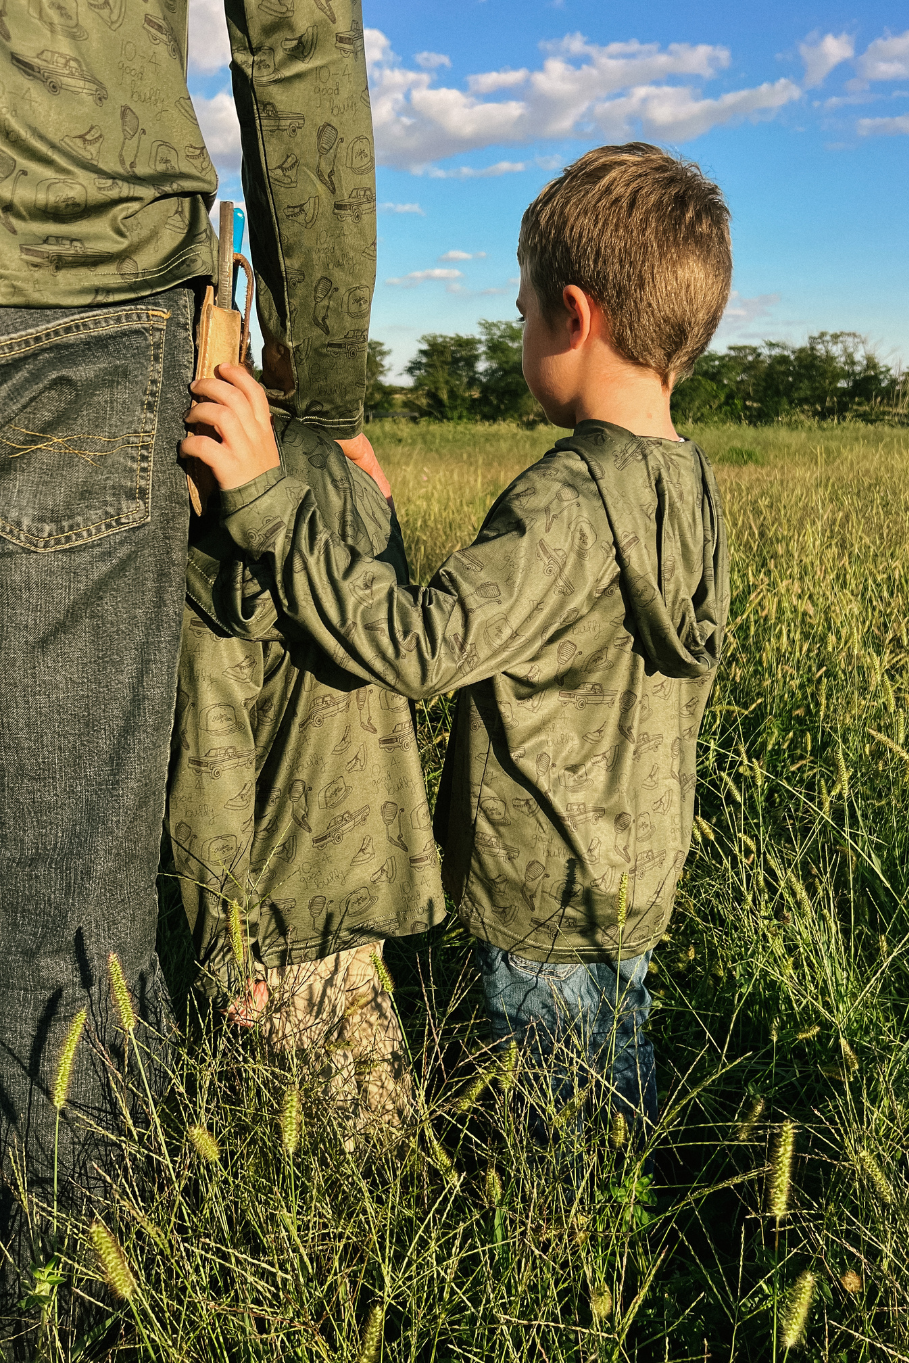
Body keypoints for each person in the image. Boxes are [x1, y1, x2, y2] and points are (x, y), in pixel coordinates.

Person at [177, 143, 732, 1157]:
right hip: (628, 880)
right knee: (612, 1087)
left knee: (559, 1143)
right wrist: (372, 518)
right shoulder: (684, 481)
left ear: (575, 315)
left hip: (541, 889)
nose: (521, 333)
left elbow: (422, 645)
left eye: (523, 313)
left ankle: (569, 1255)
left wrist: (266, 500)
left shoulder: (568, 500)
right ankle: (622, 1231)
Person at [0, 0, 375, 1339]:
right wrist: (322, 399)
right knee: (62, 920)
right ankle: (78, 1319)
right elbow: (297, 35)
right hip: (76, 274)